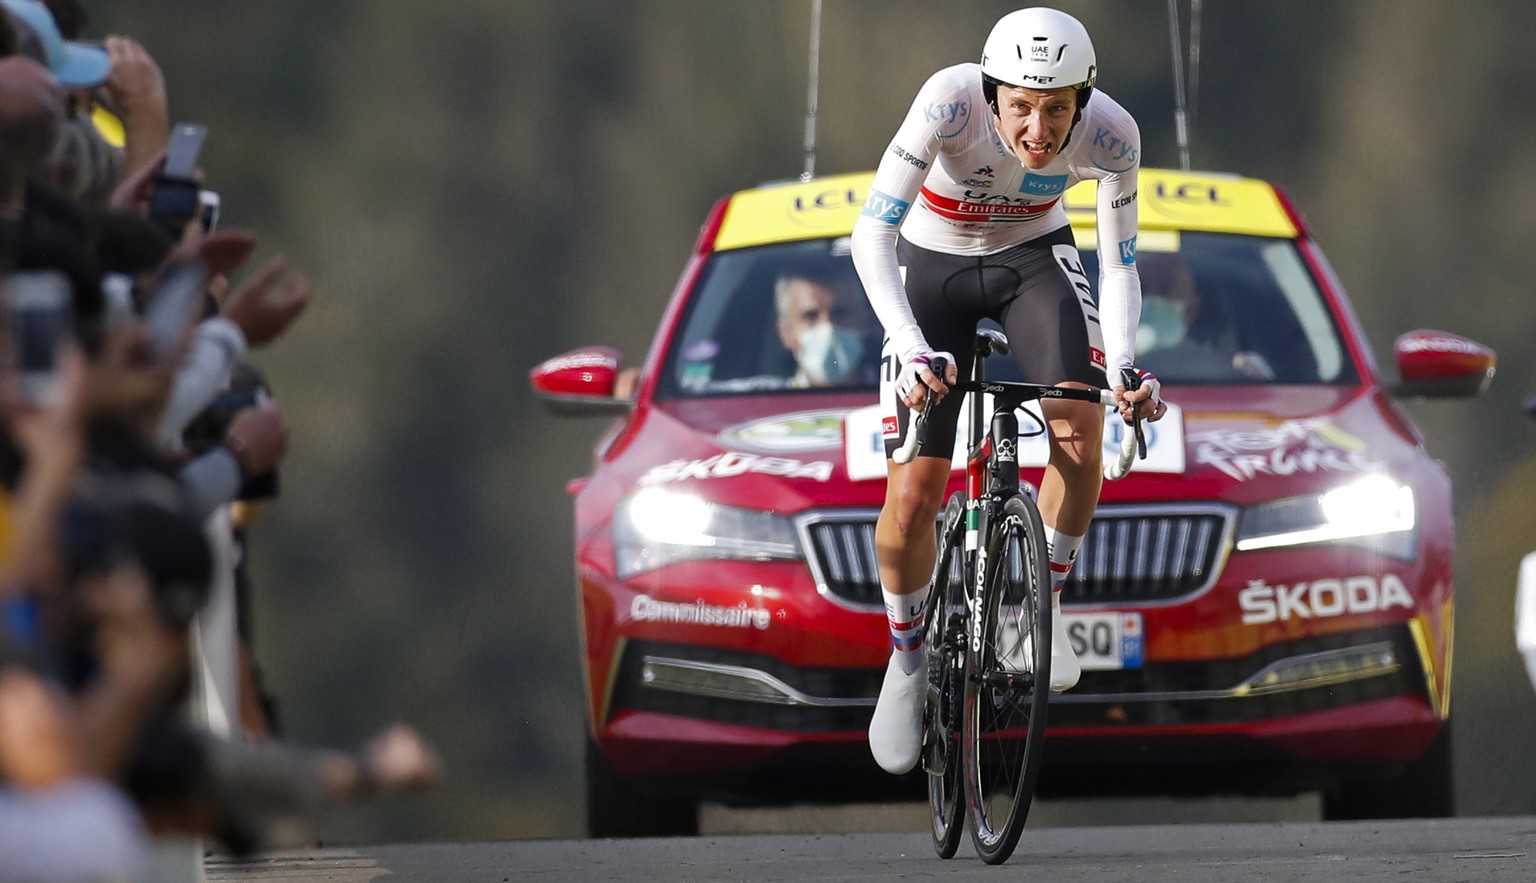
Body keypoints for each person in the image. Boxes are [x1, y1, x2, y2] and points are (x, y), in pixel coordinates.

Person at [848, 7, 1166, 775]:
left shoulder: (1114, 136)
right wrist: (910, 345)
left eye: (1057, 107)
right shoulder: (949, 100)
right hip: (932, 269)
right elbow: (872, 235)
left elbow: (1119, 264)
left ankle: (1035, 614)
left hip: (1032, 259)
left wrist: (1123, 364)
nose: (1038, 127)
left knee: (1080, 433)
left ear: (1082, 103)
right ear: (992, 94)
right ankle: (908, 658)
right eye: (1020, 105)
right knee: (912, 502)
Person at [773, 269, 865, 387]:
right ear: (786, 333)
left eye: (839, 313)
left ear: (862, 321)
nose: (828, 327)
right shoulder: (761, 400)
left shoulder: (894, 392)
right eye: (811, 316)